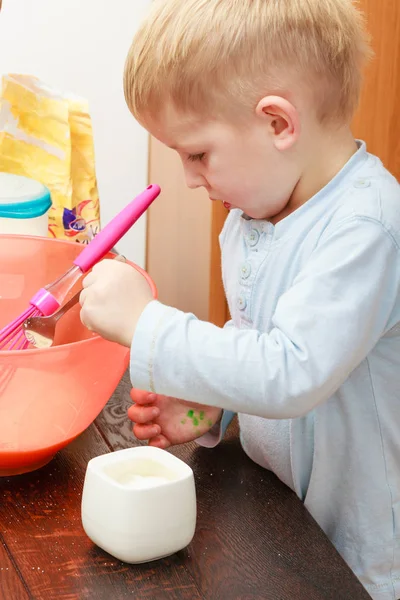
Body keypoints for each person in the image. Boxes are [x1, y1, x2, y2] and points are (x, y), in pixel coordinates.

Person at [79, 1, 400, 597]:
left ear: (278, 124)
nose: (190, 179)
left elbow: (292, 369)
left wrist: (148, 324)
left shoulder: (366, 228)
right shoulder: (254, 216)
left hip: (358, 551)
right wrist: (210, 407)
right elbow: (255, 339)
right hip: (279, 516)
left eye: (197, 154)